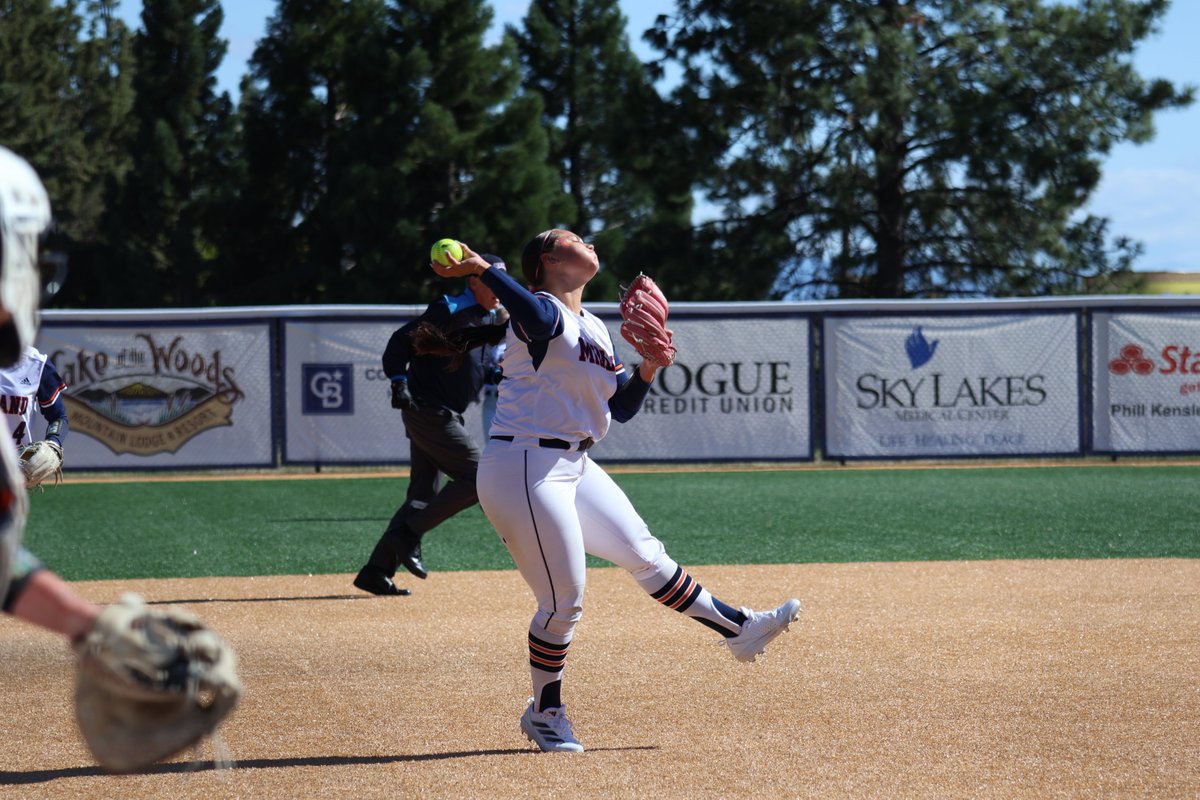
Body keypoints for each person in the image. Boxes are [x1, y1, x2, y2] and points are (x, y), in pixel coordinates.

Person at [431, 230, 802, 753]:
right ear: (548, 259)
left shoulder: (595, 327)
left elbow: (621, 407)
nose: (585, 240)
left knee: (647, 556)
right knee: (564, 601)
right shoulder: (539, 309)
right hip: (524, 467)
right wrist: (479, 268)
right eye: (571, 238)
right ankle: (545, 712)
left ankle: (740, 629)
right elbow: (536, 317)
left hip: (574, 462)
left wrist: (649, 367)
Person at [353, 254, 511, 595]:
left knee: (422, 495)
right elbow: (401, 341)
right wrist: (398, 380)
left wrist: (498, 373)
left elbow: (472, 367)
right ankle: (407, 536)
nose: (499, 288)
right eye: (491, 279)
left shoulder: (485, 318)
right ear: (472, 281)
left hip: (442, 412)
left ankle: (377, 570)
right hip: (427, 410)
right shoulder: (449, 309)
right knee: (479, 477)